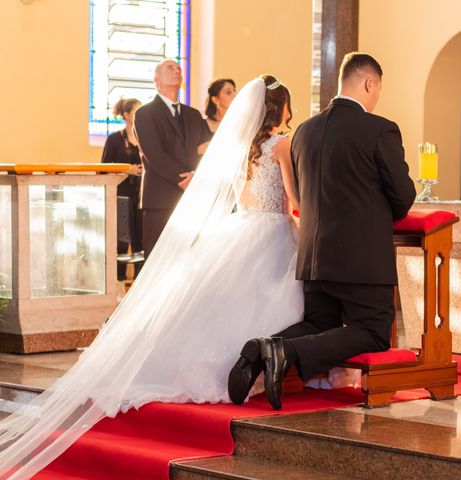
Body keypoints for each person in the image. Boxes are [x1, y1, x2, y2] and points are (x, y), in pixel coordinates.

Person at [0, 76, 303, 478]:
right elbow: (294, 199)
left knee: (219, 305)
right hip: (273, 230)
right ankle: (274, 370)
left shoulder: (233, 148)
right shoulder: (281, 146)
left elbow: (234, 197)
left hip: (240, 229)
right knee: (275, 297)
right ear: (278, 109)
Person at [229, 52, 416, 410]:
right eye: (377, 89)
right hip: (360, 260)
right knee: (374, 332)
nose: (377, 97)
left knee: (318, 322)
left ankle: (260, 348)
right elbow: (402, 198)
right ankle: (282, 349)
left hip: (313, 256)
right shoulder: (380, 129)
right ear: (369, 83)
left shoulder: (305, 132)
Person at [134, 59, 212, 257]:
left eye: (179, 68)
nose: (177, 70)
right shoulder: (145, 113)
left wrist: (197, 176)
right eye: (170, 68)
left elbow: (208, 149)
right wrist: (184, 178)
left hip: (193, 196)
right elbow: (154, 154)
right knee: (157, 258)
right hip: (160, 197)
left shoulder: (193, 115)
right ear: (156, 79)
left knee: (189, 257)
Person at [101, 98, 144, 280]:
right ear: (126, 115)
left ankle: (140, 284)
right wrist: (128, 169)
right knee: (120, 241)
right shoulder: (114, 140)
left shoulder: (145, 137)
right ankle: (117, 283)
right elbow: (103, 168)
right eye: (136, 112)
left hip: (142, 195)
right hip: (121, 196)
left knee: (141, 242)